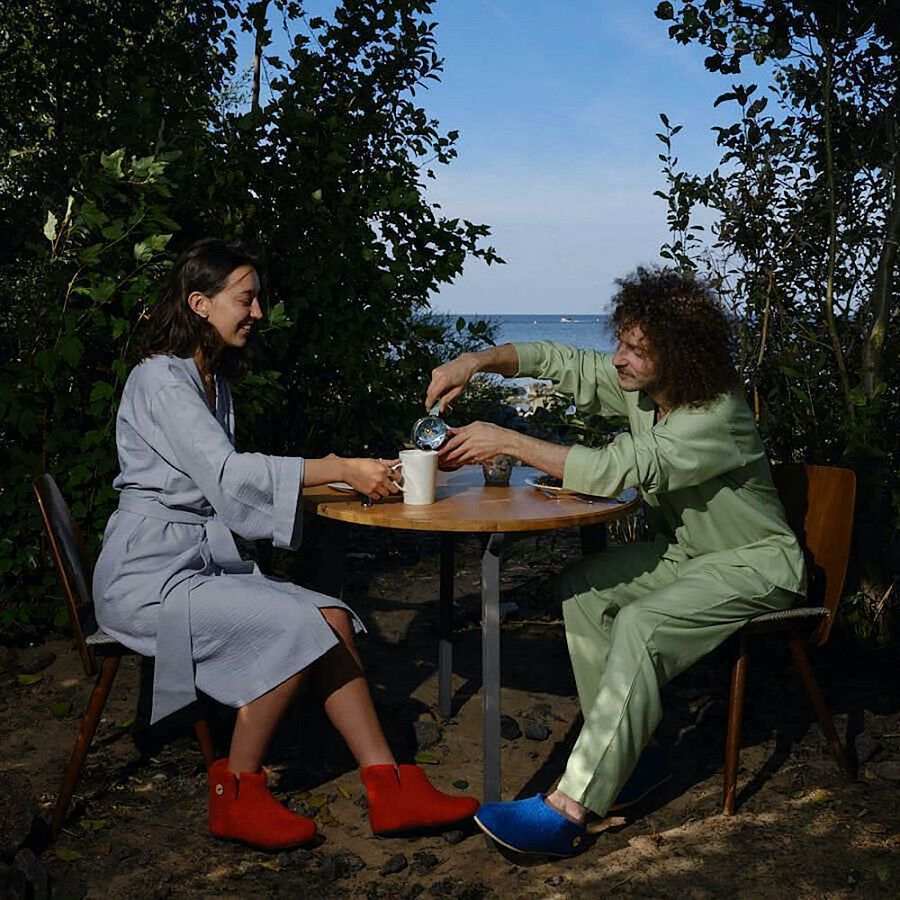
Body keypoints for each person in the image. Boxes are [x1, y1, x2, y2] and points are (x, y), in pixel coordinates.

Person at [92, 238, 479, 851]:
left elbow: (225, 484)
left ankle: (389, 785)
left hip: (194, 562)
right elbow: (228, 474)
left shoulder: (209, 379)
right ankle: (237, 792)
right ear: (199, 303)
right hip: (148, 577)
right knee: (297, 624)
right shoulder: (161, 381)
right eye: (245, 299)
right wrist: (337, 466)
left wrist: (351, 478)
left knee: (332, 617)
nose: (258, 312)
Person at [424, 266, 805, 857]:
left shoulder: (716, 415)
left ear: (679, 357)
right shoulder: (647, 392)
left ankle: (571, 806)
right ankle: (633, 756)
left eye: (637, 350)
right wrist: (473, 361)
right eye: (621, 342)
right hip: (687, 555)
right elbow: (561, 361)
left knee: (640, 623)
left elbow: (612, 470)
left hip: (754, 565)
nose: (619, 359)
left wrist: (510, 441)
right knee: (584, 587)